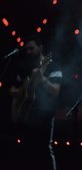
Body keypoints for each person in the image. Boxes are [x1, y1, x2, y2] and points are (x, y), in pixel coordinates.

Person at [10, 35, 62, 170]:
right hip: (26, 114)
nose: (28, 52)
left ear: (40, 48)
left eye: (31, 48)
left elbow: (55, 91)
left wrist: (42, 79)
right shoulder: (24, 67)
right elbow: (15, 87)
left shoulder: (53, 65)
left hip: (45, 114)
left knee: (45, 149)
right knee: (26, 150)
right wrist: (16, 92)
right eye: (26, 50)